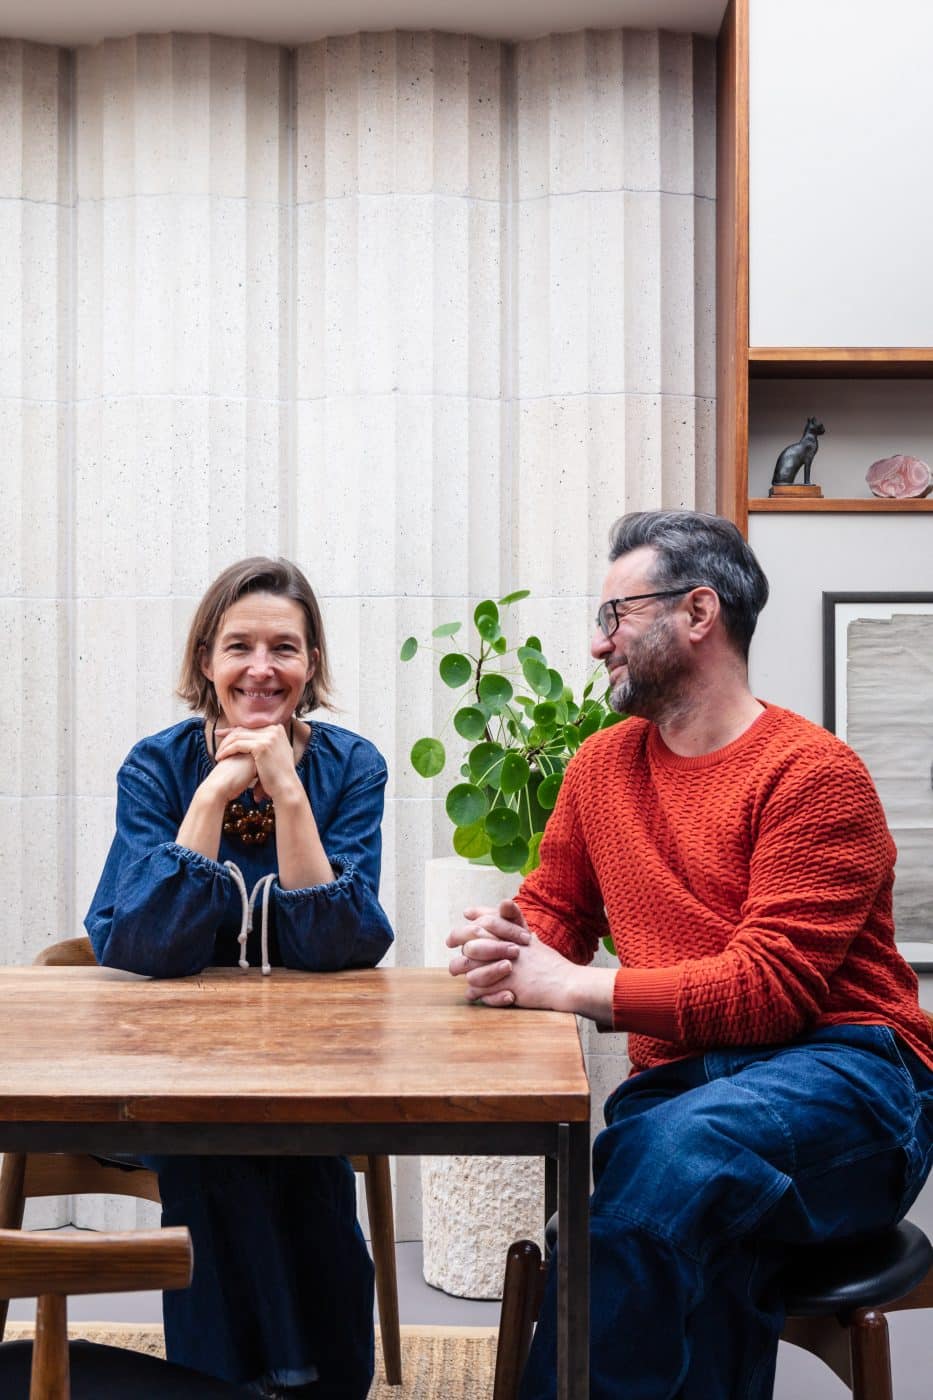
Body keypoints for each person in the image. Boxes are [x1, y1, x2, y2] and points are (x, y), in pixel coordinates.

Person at [447, 510, 933, 1400]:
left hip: (852, 1079)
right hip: (684, 1090)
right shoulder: (599, 768)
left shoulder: (813, 774)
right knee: (686, 1214)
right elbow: (557, 906)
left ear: (697, 611)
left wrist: (570, 985)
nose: (597, 647)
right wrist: (510, 945)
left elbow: (769, 993)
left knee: (669, 1166)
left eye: (614, 617)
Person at [86, 556, 394, 1399]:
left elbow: (338, 947)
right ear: (205, 663)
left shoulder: (351, 768)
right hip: (163, 1068)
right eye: (240, 647)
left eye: (285, 649)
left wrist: (289, 793)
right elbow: (143, 941)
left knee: (298, 1144)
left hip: (310, 1064)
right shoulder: (154, 768)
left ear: (311, 666)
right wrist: (215, 794)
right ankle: (253, 1379)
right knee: (213, 1142)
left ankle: (308, 1379)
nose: (262, 668)